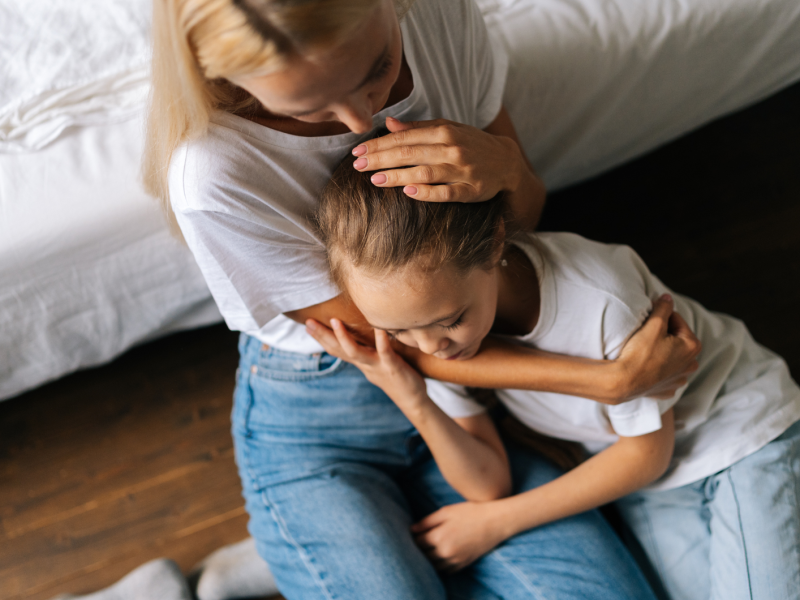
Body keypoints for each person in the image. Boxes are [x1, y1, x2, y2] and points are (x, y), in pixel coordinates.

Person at [143, 0, 701, 597]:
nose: (361, 120)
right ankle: (308, 547)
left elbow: (515, 235)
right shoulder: (213, 175)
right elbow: (403, 346)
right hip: (326, 414)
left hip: (480, 390)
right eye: (307, 107)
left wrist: (507, 169)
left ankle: (311, 558)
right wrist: (606, 383)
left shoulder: (436, 13)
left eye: (376, 68)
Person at [309, 161, 800, 600]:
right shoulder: (430, 326)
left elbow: (647, 454)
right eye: (398, 331)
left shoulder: (601, 299)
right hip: (649, 483)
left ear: (495, 244)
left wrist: (495, 524)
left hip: (736, 437)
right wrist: (412, 397)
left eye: (451, 319)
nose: (432, 347)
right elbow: (487, 482)